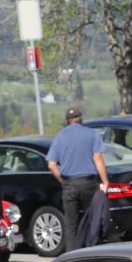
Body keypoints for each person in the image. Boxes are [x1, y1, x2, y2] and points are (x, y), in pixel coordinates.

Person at [45, 107, 109, 252]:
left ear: (66, 121)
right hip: (88, 183)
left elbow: (51, 164)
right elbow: (98, 158)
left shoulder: (60, 136)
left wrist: (63, 181)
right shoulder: (91, 134)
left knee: (71, 225)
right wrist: (105, 181)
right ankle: (93, 254)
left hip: (69, 184)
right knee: (92, 219)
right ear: (81, 119)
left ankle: (72, 258)